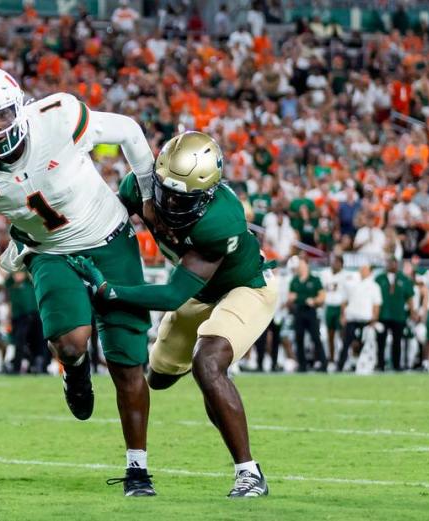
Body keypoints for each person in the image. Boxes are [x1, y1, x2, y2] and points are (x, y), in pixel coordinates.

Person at [0, 65, 157, 495]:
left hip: (110, 239)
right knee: (71, 343)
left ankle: (137, 468)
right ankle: (74, 369)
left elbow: (128, 130)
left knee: (128, 363)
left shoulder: (59, 115)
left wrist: (147, 195)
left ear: (19, 105)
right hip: (47, 251)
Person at [68, 132, 277, 498]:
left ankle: (249, 473)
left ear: (208, 193)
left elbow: (171, 294)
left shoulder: (221, 218)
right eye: (164, 191)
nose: (169, 204)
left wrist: (109, 291)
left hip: (244, 288)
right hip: (198, 294)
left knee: (208, 364)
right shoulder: (140, 187)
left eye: (183, 198)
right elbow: (106, 228)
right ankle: (213, 391)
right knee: (158, 378)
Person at [337, 265, 382, 371]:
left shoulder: (374, 286)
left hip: (366, 320)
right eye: (361, 269)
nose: (362, 272)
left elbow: (377, 304)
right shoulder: (351, 284)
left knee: (365, 344)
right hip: (351, 318)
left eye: (365, 270)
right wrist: (343, 315)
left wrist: (374, 319)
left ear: (370, 272)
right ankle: (341, 365)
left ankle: (365, 365)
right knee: (346, 343)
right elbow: (344, 301)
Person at [375, 258, 415, 370]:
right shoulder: (379, 278)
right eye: (390, 262)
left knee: (397, 341)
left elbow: (410, 297)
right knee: (380, 341)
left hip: (398, 315)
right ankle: (380, 364)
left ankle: (396, 365)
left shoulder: (404, 279)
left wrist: (412, 311)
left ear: (397, 265)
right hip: (382, 314)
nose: (392, 265)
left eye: (394, 263)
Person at [288, 257, 327, 372]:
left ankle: (323, 363)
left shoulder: (315, 280)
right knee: (299, 338)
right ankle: (302, 365)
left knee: (316, 338)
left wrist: (312, 300)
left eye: (301, 265)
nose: (300, 268)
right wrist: (306, 299)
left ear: (306, 266)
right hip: (298, 311)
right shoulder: (294, 280)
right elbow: (290, 297)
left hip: (311, 312)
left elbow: (321, 297)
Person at [6, 270, 45, 373]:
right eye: (15, 274)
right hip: (18, 317)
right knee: (19, 343)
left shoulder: (29, 282)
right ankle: (16, 368)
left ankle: (38, 367)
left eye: (20, 273)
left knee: (36, 342)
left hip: (33, 315)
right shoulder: (10, 284)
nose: (17, 276)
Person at [320, 256, 352, 369]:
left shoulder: (346, 276)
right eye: (334, 262)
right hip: (329, 306)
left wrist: (344, 312)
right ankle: (332, 359)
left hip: (340, 307)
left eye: (337, 262)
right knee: (330, 335)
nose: (335, 264)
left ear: (342, 264)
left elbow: (348, 295)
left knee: (343, 335)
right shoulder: (325, 274)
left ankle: (345, 359)